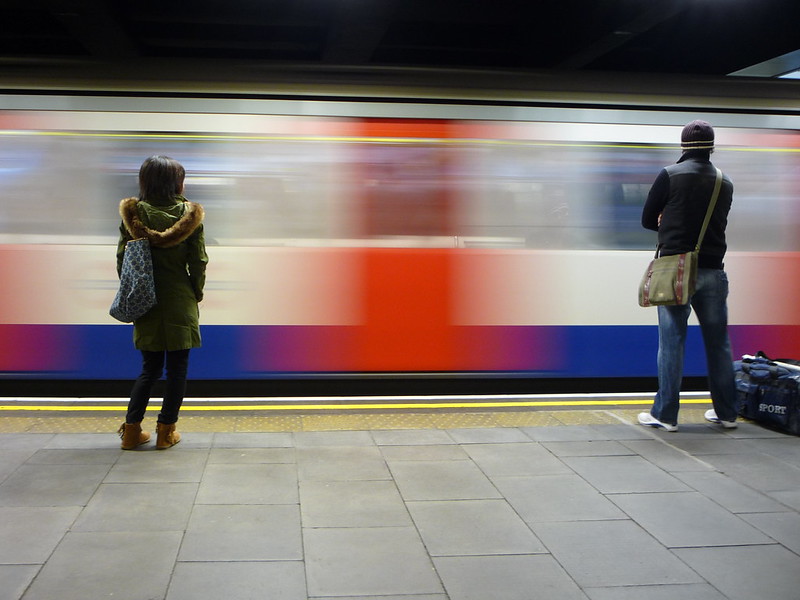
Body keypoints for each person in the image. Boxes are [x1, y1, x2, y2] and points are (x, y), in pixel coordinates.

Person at [638, 120, 737, 432]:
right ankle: (727, 413)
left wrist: (667, 223)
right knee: (718, 343)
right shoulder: (725, 182)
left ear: (683, 147)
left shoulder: (669, 175)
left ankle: (665, 414)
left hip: (676, 270)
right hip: (713, 271)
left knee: (672, 342)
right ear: (711, 147)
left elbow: (647, 220)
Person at [116, 156, 208, 449]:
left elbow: (122, 260)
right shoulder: (189, 215)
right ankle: (165, 434)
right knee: (177, 370)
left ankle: (131, 433)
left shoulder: (133, 215)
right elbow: (199, 261)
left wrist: (134, 288)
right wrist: (196, 291)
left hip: (147, 301)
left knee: (149, 369)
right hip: (179, 299)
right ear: (176, 183)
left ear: (145, 181)